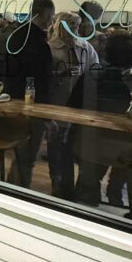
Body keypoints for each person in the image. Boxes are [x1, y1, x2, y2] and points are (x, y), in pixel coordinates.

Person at [69, 33, 132, 223]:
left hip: (93, 146)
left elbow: (73, 104)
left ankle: (87, 193)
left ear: (107, 51)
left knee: (92, 152)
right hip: (128, 150)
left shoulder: (94, 73)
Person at [1, 0, 55, 188]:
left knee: (21, 153)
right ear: (45, 14)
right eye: (52, 16)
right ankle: (18, 193)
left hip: (15, 100)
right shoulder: (37, 41)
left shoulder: (18, 35)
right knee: (27, 155)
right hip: (31, 104)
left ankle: (13, 188)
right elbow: (40, 77)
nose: (52, 21)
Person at [47, 12, 99, 199]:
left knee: (75, 147)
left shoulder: (85, 47)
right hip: (58, 103)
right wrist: (60, 74)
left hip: (80, 105)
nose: (74, 29)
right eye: (70, 25)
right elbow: (44, 77)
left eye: (76, 25)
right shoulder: (50, 48)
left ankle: (78, 188)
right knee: (56, 147)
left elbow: (96, 70)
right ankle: (58, 183)